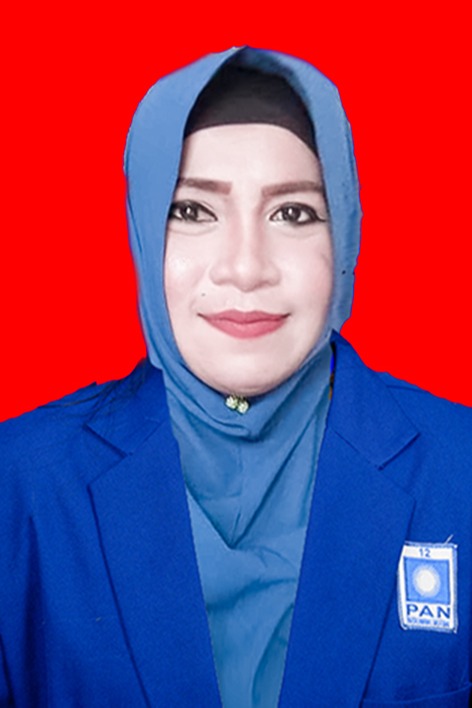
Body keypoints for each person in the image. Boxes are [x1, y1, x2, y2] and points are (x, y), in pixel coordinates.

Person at [0, 46, 470, 707]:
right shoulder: (20, 484)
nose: (246, 268)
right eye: (193, 211)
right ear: (143, 233)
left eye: (293, 213)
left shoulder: (459, 470)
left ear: (345, 235)